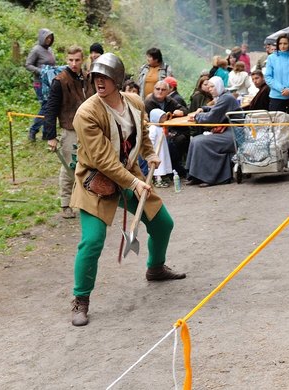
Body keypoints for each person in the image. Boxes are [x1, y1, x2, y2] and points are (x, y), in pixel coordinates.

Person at [68, 53, 185, 327]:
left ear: (118, 79)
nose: (100, 82)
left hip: (129, 173)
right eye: (96, 77)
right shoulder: (86, 114)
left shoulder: (133, 102)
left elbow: (140, 133)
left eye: (105, 77)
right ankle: (80, 299)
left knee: (162, 223)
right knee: (93, 240)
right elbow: (102, 160)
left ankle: (155, 268)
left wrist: (148, 153)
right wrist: (134, 182)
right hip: (96, 182)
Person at [39, 45, 95, 220]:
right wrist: (51, 136)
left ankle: (87, 200)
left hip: (88, 129)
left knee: (90, 165)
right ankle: (66, 203)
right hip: (70, 129)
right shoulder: (60, 81)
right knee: (69, 167)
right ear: (66, 60)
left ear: (82, 59)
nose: (74, 63)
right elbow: (51, 109)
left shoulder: (87, 78)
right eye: (70, 60)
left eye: (77, 60)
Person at [184, 76, 240, 187]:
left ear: (219, 86)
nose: (210, 89)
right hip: (228, 131)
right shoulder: (224, 97)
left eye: (212, 86)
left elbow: (212, 118)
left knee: (201, 142)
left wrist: (197, 117)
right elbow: (216, 109)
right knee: (195, 140)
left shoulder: (226, 98)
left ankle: (212, 178)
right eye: (209, 87)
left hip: (234, 133)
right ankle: (196, 175)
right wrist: (204, 109)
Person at [144, 80, 188, 184]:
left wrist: (181, 112)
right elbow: (155, 119)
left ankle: (175, 170)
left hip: (169, 130)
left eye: (163, 90)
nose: (160, 91)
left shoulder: (169, 100)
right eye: (157, 89)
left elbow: (184, 109)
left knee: (182, 139)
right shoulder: (149, 102)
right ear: (154, 90)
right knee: (170, 145)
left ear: (168, 91)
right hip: (154, 131)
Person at [25, 29, 58, 141]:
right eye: (47, 37)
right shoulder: (36, 50)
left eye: (50, 38)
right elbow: (28, 65)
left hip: (49, 83)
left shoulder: (50, 50)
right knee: (46, 106)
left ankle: (46, 133)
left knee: (49, 107)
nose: (48, 40)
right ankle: (33, 130)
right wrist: (41, 71)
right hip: (39, 83)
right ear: (42, 37)